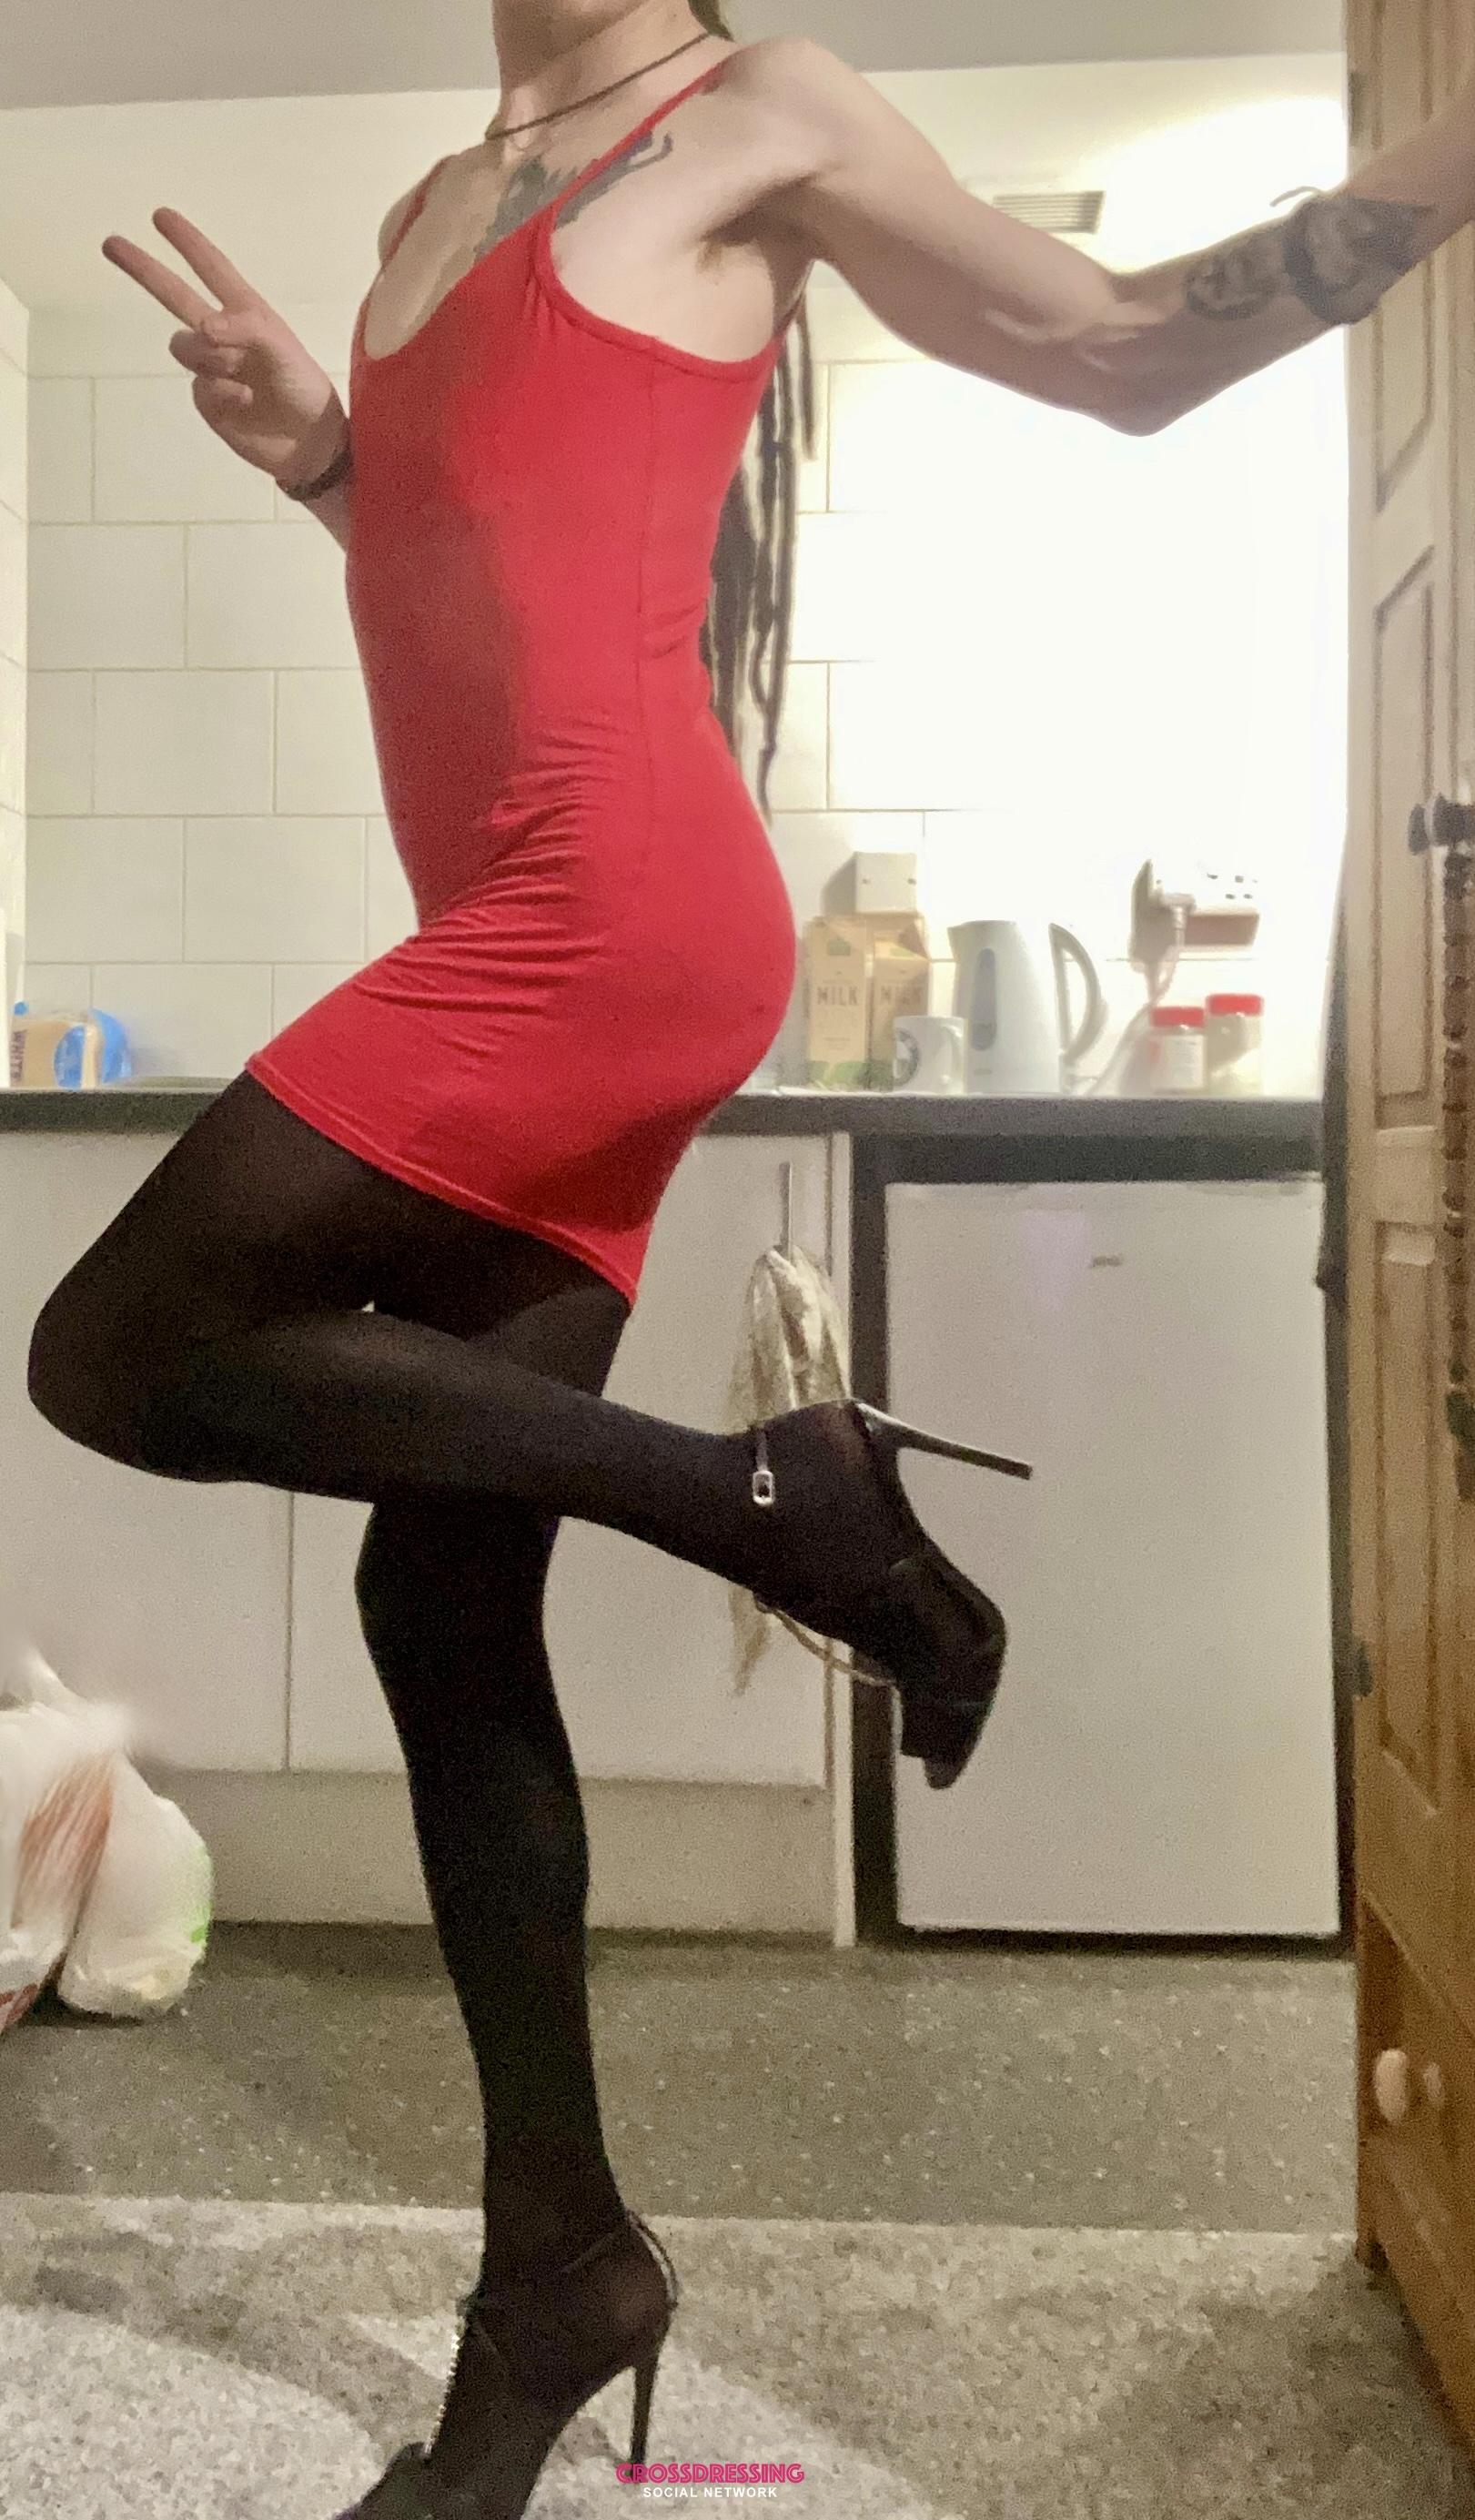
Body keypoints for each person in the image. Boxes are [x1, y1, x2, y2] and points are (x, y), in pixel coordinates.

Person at [25, 3, 1475, 2511]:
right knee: (440, 1612)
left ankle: (777, 1501)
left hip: (608, 919)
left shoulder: (756, 106)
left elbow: (1124, 350)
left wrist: (1454, 155)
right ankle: (562, 2271)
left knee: (116, 1345)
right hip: (522, 922)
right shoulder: (437, 203)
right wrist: (333, 458)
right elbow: (484, 561)